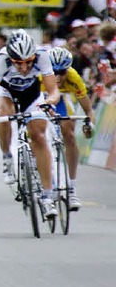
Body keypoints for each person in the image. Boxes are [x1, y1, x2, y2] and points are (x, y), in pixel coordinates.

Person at [0, 29, 61, 218]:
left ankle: (48, 196)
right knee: (5, 113)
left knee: (39, 136)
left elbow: (53, 91)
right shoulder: (1, 60)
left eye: (28, 62)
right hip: (7, 92)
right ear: (11, 58)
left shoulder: (41, 55)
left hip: (32, 93)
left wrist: (49, 103)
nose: (24, 68)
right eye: (18, 63)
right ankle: (7, 156)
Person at [42, 47, 96, 210]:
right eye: (54, 72)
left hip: (63, 99)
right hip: (43, 98)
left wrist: (90, 125)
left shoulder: (73, 77)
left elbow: (88, 110)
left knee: (69, 133)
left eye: (62, 72)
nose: (58, 77)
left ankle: (71, 188)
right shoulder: (40, 75)